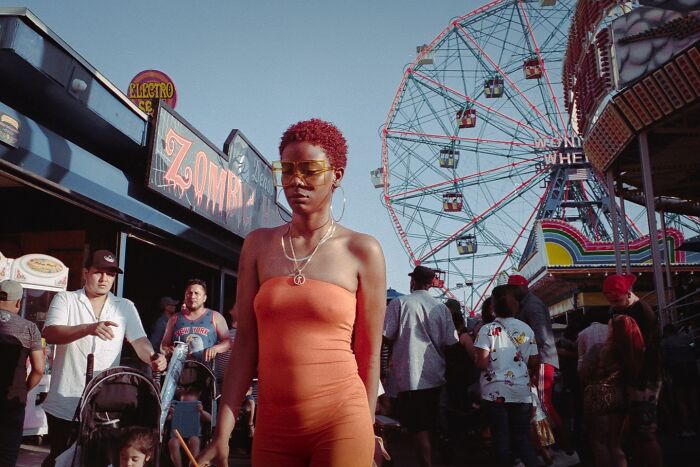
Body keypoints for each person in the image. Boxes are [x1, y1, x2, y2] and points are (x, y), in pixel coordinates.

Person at [198, 118, 386, 467]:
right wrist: (222, 431)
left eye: (310, 170)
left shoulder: (362, 251)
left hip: (342, 420)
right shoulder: (258, 245)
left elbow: (368, 353)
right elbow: (246, 344)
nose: (295, 181)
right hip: (273, 427)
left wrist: (368, 426)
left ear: (337, 175)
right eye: (286, 170)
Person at [41, 249, 167, 467]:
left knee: (99, 460)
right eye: (99, 272)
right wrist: (88, 328)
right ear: (85, 273)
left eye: (110, 274)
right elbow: (50, 333)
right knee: (62, 460)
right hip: (65, 402)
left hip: (105, 405)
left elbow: (139, 341)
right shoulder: (67, 298)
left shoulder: (124, 306)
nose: (104, 279)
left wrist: (154, 358)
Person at [383, 265, 462, 467]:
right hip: (436, 373)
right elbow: (451, 342)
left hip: (410, 374)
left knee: (418, 426)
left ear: (413, 281)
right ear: (431, 284)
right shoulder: (441, 308)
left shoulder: (399, 303)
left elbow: (386, 335)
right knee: (433, 422)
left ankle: (426, 463)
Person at [507, 274, 578, 466]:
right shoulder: (528, 304)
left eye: (513, 289)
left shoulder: (532, 306)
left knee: (544, 405)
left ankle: (567, 448)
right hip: (540, 359)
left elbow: (541, 336)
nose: (512, 293)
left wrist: (522, 349)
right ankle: (558, 448)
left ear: (521, 287)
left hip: (542, 360)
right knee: (541, 406)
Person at [474, 284, 539, 467]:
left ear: (493, 306)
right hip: (521, 392)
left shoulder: (486, 330)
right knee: (522, 438)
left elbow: (481, 363)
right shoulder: (527, 329)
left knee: (501, 439)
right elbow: (534, 362)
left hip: (495, 393)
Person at [602, 273, 663, 467]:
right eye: (610, 301)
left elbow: (648, 351)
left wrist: (641, 379)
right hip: (634, 379)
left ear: (628, 293)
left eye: (617, 300)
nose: (614, 305)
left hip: (644, 379)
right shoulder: (626, 311)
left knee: (645, 431)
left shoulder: (642, 312)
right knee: (636, 431)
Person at [0, 280, 44, 467]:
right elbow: (39, 369)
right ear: (18, 302)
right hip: (13, 399)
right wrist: (24, 389)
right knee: (7, 455)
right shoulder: (29, 328)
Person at [161, 279, 230, 363]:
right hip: (178, 372)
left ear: (204, 298)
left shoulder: (215, 316)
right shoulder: (174, 318)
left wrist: (215, 348)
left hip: (205, 372)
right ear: (185, 296)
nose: (192, 296)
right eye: (189, 293)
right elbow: (164, 345)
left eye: (196, 293)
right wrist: (168, 351)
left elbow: (228, 341)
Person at [661, 323, 699, 438]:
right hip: (692, 369)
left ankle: (687, 428)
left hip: (678, 371)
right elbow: (695, 351)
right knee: (694, 399)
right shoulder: (687, 338)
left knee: (681, 400)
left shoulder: (665, 343)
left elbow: (665, 360)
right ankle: (697, 425)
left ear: (666, 332)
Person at [167, 386, 211, 467]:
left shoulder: (198, 412)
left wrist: (201, 411)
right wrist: (170, 413)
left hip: (194, 434)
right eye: (184, 404)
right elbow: (168, 419)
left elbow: (210, 419)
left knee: (194, 440)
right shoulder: (177, 411)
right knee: (173, 442)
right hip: (178, 435)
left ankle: (193, 464)